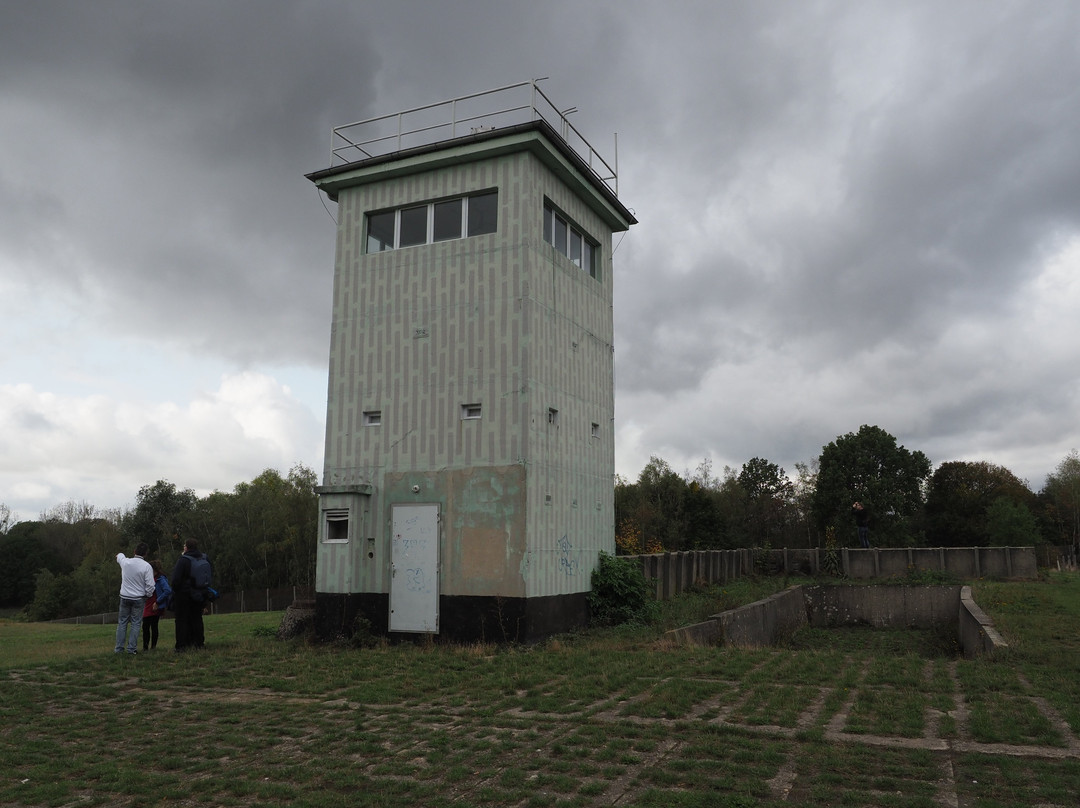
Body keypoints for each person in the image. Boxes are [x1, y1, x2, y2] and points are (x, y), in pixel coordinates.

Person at [115, 542, 155, 655]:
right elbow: (150, 585)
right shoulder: (146, 566)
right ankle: (131, 649)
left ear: (134, 551)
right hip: (138, 598)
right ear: (146, 554)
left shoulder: (126, 562)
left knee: (122, 622)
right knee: (136, 623)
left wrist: (119, 555)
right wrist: (147, 595)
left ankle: (119, 649)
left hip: (124, 596)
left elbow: (120, 556)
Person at [171, 538, 211, 651]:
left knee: (181, 620)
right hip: (200, 593)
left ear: (186, 547)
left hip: (184, 594)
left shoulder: (184, 560)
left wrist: (175, 591)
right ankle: (199, 643)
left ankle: (181, 646)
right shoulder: (204, 557)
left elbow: (175, 579)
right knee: (197, 618)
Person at [141, 560, 172, 651]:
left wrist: (158, 602)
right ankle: (145, 647)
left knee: (153, 626)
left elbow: (167, 590)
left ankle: (152, 647)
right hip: (148, 604)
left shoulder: (160, 579)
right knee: (146, 626)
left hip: (155, 606)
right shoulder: (150, 578)